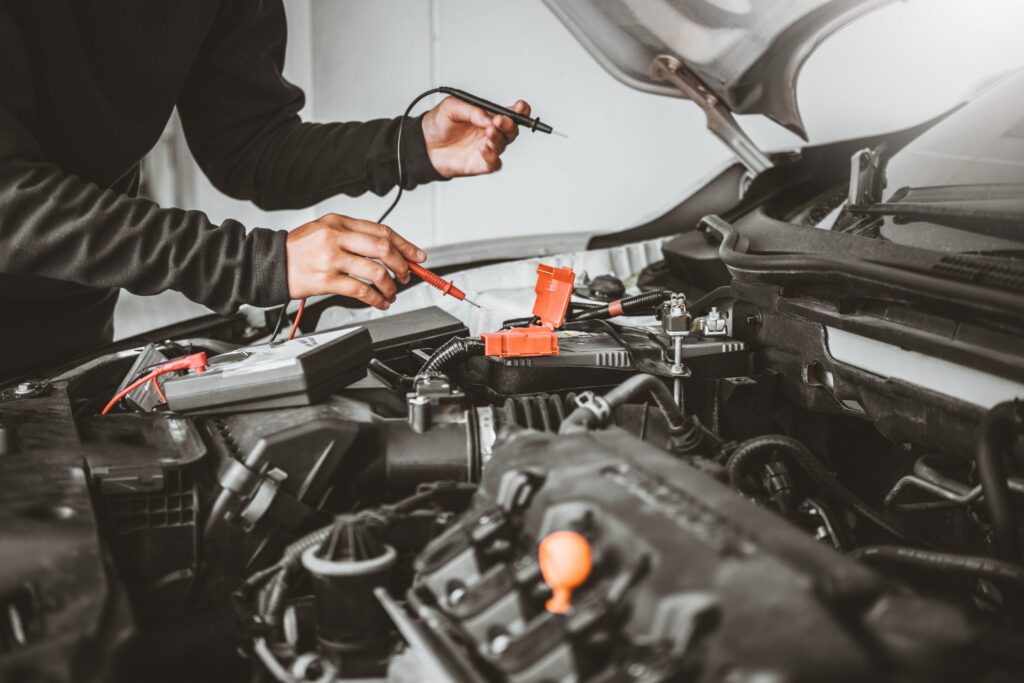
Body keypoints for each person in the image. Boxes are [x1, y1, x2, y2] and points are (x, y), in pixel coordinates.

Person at [0, 1, 530, 379]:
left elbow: (248, 145)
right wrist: (255, 264)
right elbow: (9, 198)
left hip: (72, 323)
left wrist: (412, 146)